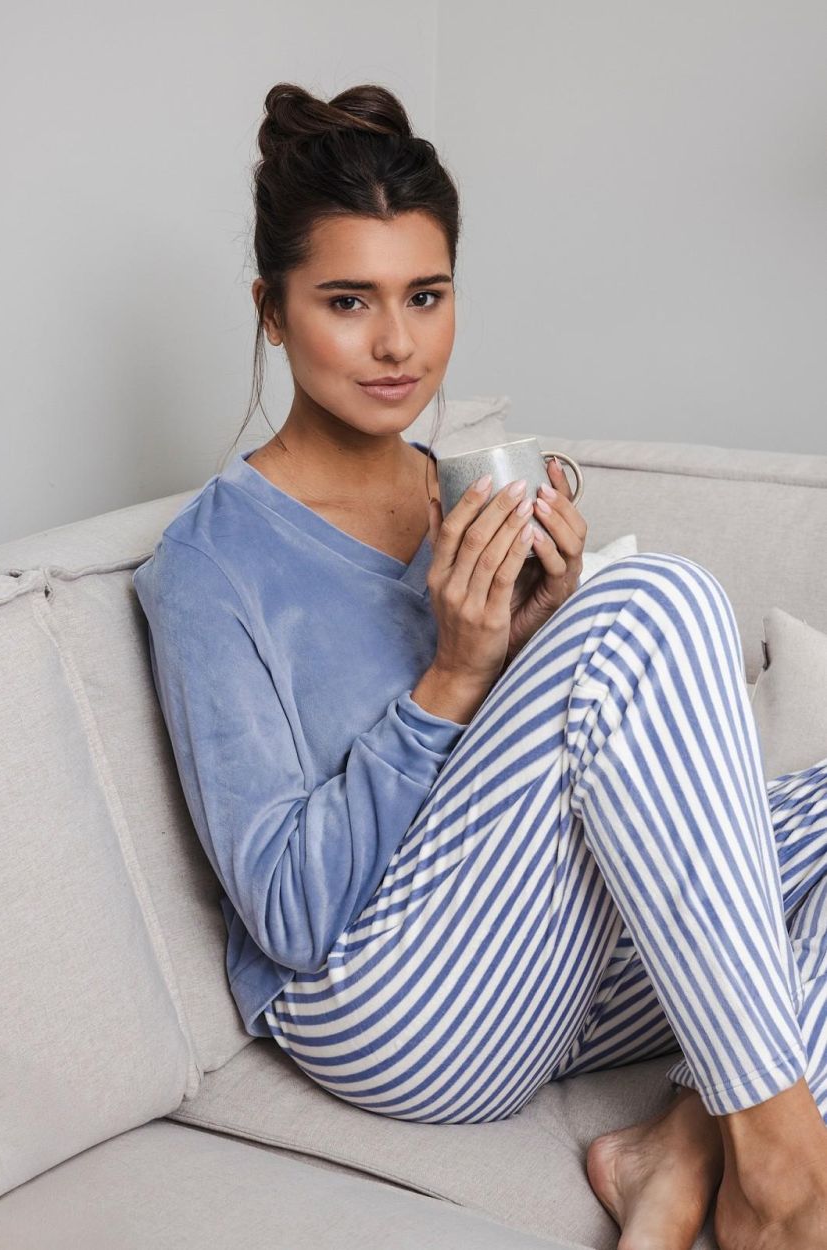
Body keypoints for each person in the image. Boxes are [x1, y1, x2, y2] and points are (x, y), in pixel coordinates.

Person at [132, 82, 827, 1250]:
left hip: (551, 970)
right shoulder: (212, 564)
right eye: (346, 301)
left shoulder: (462, 498)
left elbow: (539, 804)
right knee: (659, 600)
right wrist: (456, 672)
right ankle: (786, 1182)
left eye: (426, 295)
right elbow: (293, 914)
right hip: (382, 1003)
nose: (397, 344)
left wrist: (541, 634)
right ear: (271, 311)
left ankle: (675, 1144)